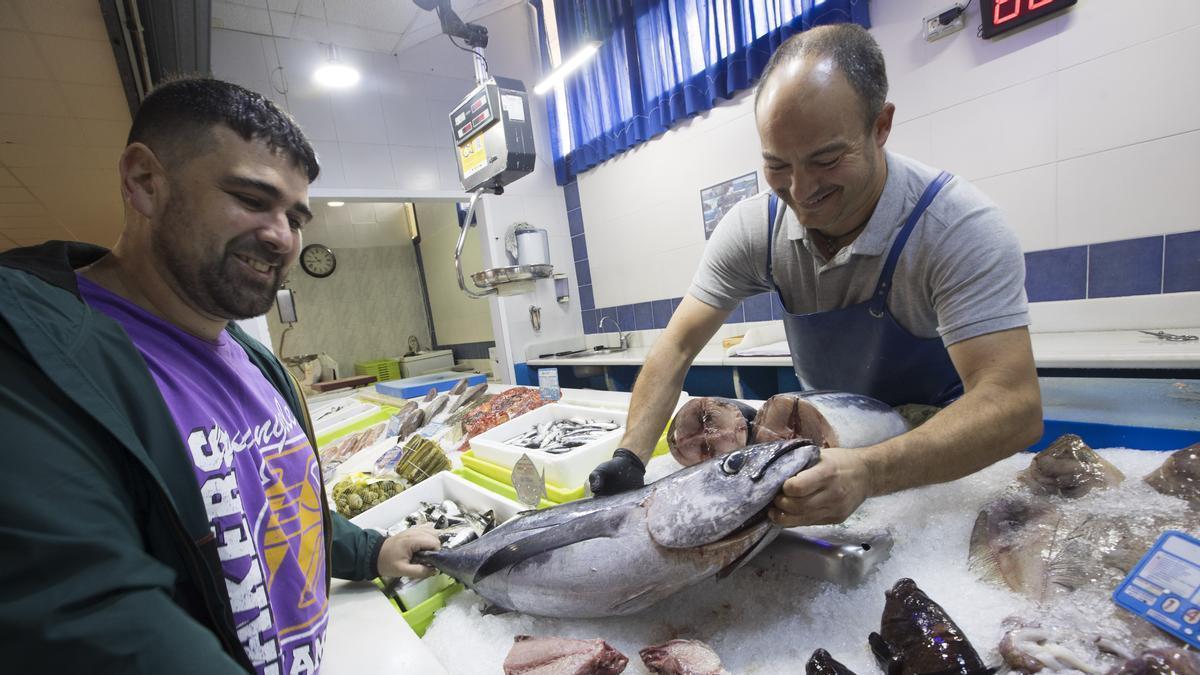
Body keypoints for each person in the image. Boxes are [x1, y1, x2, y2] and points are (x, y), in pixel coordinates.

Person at [0, 78, 440, 673]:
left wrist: (372, 551)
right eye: (252, 199)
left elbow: (278, 506)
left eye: (296, 215)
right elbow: (85, 615)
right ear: (144, 182)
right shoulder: (32, 355)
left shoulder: (249, 357)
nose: (281, 236)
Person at [589, 24, 1043, 525]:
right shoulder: (756, 227)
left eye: (826, 160)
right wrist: (629, 459)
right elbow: (675, 347)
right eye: (777, 165)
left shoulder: (954, 227)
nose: (801, 191)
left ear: (880, 126)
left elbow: (1013, 405)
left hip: (936, 465)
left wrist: (870, 471)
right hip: (819, 460)